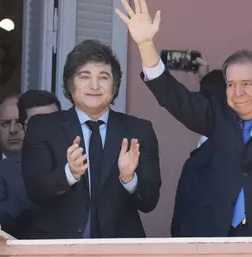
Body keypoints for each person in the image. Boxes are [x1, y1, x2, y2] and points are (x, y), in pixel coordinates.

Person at [117, 0, 252, 237]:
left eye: (247, 84)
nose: (238, 93)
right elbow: (174, 98)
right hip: (224, 237)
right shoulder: (217, 116)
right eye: (231, 85)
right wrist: (145, 45)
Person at [21, 40, 161, 239]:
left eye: (103, 77)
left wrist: (129, 178)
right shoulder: (42, 127)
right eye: (84, 76)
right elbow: (34, 189)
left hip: (119, 254)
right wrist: (69, 173)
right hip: (57, 251)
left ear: (114, 86)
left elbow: (149, 201)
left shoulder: (139, 130)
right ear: (70, 83)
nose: (94, 86)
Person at [0, 90, 60, 239]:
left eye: (51, 123)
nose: (45, 131)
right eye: (37, 124)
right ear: (24, 127)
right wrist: (39, 184)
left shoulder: (78, 164)